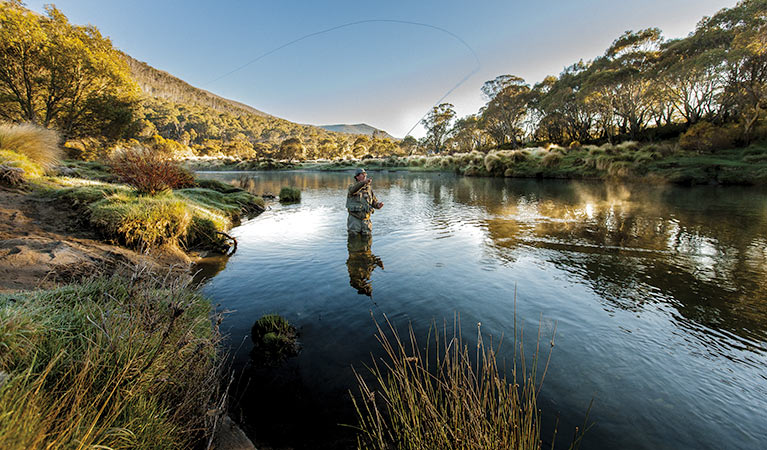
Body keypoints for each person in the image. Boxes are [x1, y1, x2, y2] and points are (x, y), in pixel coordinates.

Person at [346, 168, 383, 234]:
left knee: (367, 239)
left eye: (365, 174)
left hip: (366, 220)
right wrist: (363, 183)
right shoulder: (352, 187)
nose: (364, 175)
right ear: (357, 177)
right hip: (355, 220)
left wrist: (378, 205)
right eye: (362, 174)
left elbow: (373, 201)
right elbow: (353, 190)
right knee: (353, 239)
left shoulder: (368, 188)